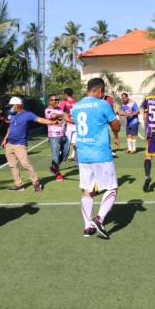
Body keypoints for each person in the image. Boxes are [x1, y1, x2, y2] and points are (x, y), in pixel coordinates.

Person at [71, 78, 120, 239]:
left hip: (83, 154)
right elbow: (116, 126)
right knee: (112, 188)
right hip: (100, 153)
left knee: (87, 190)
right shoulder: (103, 104)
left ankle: (88, 226)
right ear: (100, 91)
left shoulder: (76, 106)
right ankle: (99, 219)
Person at [1, 96, 56, 193]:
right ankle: (19, 185)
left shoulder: (27, 114)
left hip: (20, 144)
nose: (10, 107)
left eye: (12, 105)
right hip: (10, 144)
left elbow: (39, 119)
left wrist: (51, 122)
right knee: (12, 165)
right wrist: (5, 139)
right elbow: (10, 127)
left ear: (17, 105)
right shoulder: (12, 114)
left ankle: (36, 183)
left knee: (25, 164)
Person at [45, 94, 70, 181]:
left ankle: (53, 166)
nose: (57, 101)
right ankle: (58, 173)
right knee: (55, 156)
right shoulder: (48, 110)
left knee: (66, 153)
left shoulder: (59, 109)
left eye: (58, 100)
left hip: (63, 135)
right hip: (54, 136)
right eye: (55, 100)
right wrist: (62, 114)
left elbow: (65, 118)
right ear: (50, 101)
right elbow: (53, 116)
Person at [59, 88, 77, 160]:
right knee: (74, 142)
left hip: (68, 124)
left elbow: (60, 112)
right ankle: (74, 155)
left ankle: (61, 155)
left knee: (64, 141)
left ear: (65, 94)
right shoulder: (76, 102)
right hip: (75, 124)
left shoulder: (64, 102)